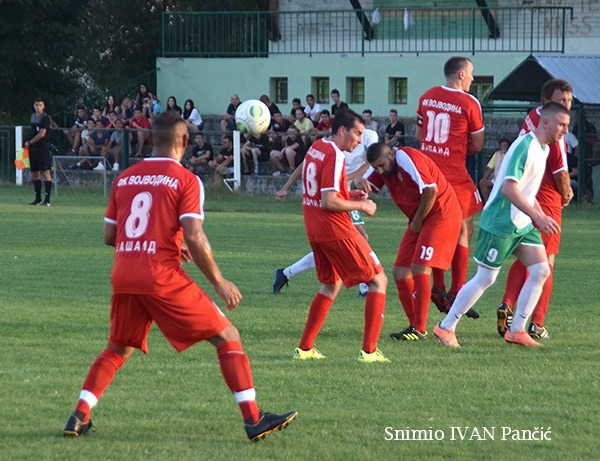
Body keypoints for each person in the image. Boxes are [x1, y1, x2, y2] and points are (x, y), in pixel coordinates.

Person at [62, 111, 297, 441]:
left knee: (117, 348)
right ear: (184, 141)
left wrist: (161, 240)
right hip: (160, 276)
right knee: (228, 335)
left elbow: (109, 236)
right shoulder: (186, 180)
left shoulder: (126, 177)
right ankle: (254, 419)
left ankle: (78, 416)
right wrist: (219, 281)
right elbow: (195, 235)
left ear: (153, 139)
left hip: (124, 275)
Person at [434, 101, 569, 348]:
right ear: (546, 122)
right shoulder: (525, 147)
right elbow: (509, 188)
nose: (565, 131)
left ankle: (517, 330)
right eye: (562, 125)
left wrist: (538, 214)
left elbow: (527, 192)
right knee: (486, 278)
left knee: (540, 270)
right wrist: (538, 216)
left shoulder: (544, 149)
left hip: (521, 223)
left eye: (567, 125)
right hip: (500, 222)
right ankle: (446, 327)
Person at [293, 109, 389, 363]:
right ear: (342, 130)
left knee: (331, 283)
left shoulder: (317, 147)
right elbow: (328, 201)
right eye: (357, 133)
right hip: (334, 228)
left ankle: (304, 348)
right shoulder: (335, 154)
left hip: (314, 227)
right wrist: (362, 205)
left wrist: (350, 195)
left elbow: (324, 193)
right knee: (378, 280)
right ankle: (369, 352)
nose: (359, 140)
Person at [354, 143, 462, 341]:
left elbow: (431, 190)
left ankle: (420, 328)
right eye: (376, 167)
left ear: (392, 154)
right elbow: (369, 186)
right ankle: (414, 324)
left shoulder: (407, 158)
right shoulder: (385, 165)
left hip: (440, 213)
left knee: (420, 268)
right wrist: (359, 183)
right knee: (400, 271)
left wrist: (418, 221)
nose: (380, 170)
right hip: (419, 217)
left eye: (381, 165)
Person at [496, 79, 574, 339]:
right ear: (546, 102)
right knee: (546, 261)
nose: (565, 106)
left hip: (527, 192)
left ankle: (507, 303)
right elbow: (561, 170)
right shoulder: (555, 128)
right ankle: (536, 323)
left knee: (529, 254)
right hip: (546, 196)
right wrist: (567, 192)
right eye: (560, 101)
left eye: (569, 101)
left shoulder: (533, 117)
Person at [272, 128, 380, 297]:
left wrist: (353, 181)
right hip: (333, 195)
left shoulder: (368, 136)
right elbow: (306, 164)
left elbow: (370, 161)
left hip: (342, 190)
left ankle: (286, 273)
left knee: (333, 249)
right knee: (356, 239)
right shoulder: (329, 148)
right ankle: (366, 286)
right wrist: (286, 186)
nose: (358, 139)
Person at [416, 56, 485, 318]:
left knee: (436, 228)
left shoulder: (426, 96)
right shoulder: (469, 102)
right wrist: (453, 150)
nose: (473, 79)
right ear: (460, 75)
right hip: (453, 176)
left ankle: (439, 288)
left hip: (427, 174)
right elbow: (477, 145)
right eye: (471, 74)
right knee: (464, 230)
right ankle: (457, 291)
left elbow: (422, 136)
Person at [25, 97, 53, 206]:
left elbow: (42, 133)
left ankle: (47, 200)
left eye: (40, 105)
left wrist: (30, 142)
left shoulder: (45, 118)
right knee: (35, 172)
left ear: (43, 106)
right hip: (33, 149)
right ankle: (37, 198)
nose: (38, 107)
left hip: (42, 147)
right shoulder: (32, 116)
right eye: (36, 105)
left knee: (45, 171)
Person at [479, 137, 510, 203]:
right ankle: (487, 202)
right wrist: (485, 178)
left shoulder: (511, 154)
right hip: (496, 179)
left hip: (506, 181)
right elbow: (491, 168)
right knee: (482, 183)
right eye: (502, 145)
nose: (503, 147)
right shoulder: (497, 154)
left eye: (505, 146)